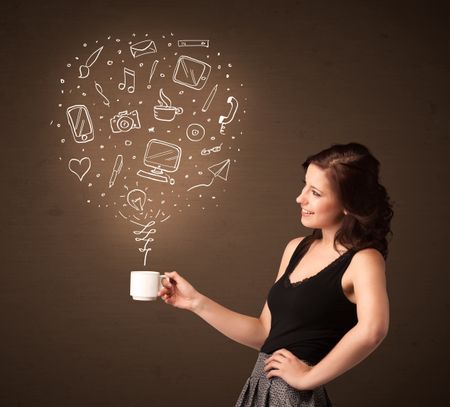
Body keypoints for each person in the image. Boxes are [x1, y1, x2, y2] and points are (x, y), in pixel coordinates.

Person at [158, 142, 394, 406]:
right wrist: (195, 302)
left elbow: (373, 329)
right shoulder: (296, 248)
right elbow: (264, 332)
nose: (300, 198)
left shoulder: (364, 260)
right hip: (259, 388)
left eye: (315, 192)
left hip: (293, 396)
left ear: (348, 204)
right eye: (304, 185)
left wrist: (309, 378)